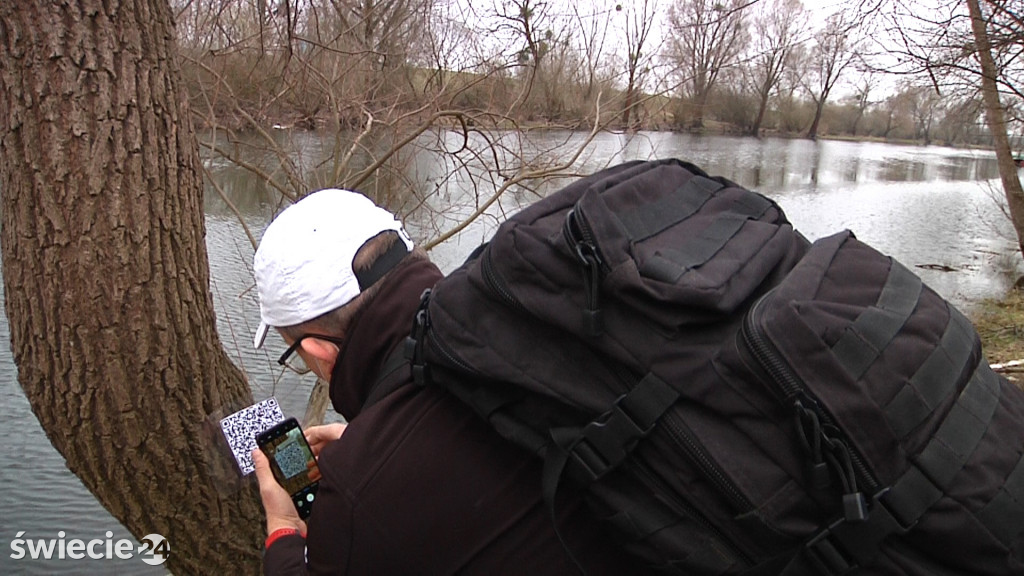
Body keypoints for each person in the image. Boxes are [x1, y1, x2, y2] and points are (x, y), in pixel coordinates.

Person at [248, 189, 647, 575]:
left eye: (297, 356)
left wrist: (283, 525)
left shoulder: (359, 499)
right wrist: (372, 439)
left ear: (320, 350)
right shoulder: (519, 319)